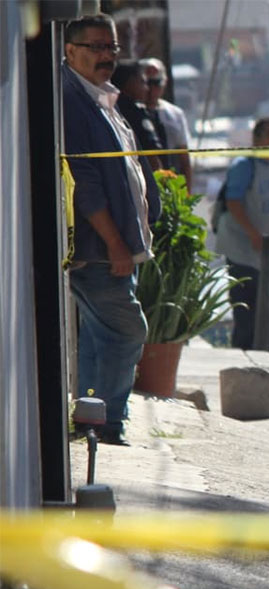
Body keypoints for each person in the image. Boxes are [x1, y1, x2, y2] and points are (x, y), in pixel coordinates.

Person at [62, 14, 161, 446]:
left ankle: (91, 415)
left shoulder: (101, 97)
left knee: (101, 335)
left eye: (112, 48)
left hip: (119, 247)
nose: (106, 56)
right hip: (102, 248)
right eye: (96, 47)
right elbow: (85, 183)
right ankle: (108, 421)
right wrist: (116, 242)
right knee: (127, 330)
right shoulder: (71, 99)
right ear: (70, 51)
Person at [215, 117, 269, 353]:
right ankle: (243, 358)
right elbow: (234, 201)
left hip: (267, 252)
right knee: (246, 312)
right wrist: (253, 234)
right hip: (241, 250)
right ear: (256, 139)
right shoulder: (243, 166)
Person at [138, 57, 193, 190]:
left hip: (172, 178)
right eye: (147, 83)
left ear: (164, 83)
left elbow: (184, 159)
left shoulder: (175, 114)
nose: (151, 89)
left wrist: (186, 192)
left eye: (156, 83)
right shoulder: (132, 112)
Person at [110, 61, 164, 171]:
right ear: (130, 83)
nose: (147, 88)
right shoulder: (137, 113)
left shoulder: (110, 109)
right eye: (142, 82)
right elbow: (152, 156)